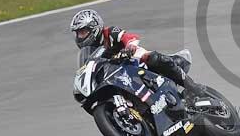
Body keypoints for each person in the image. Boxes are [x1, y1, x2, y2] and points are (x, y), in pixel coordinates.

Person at [69, 9, 205, 101]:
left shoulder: (109, 32)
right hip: (116, 75)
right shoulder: (88, 52)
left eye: (83, 32)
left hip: (132, 61)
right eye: (78, 33)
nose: (80, 36)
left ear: (94, 28)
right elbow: (88, 68)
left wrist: (129, 47)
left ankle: (191, 86)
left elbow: (130, 37)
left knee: (151, 57)